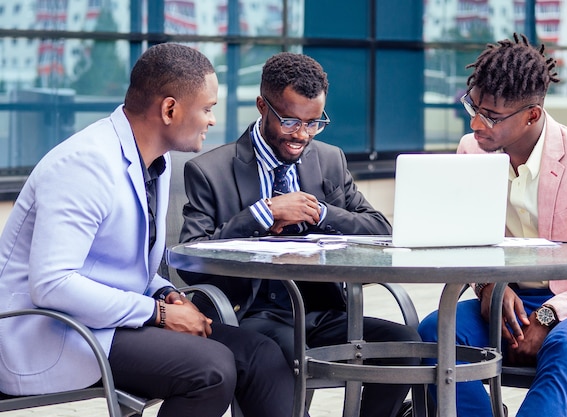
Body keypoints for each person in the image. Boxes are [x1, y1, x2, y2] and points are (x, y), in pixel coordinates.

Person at [0, 43, 301, 417]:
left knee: (260, 355)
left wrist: (168, 294)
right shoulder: (84, 165)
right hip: (55, 333)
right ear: (169, 109)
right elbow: (52, 284)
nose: (211, 120)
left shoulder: (157, 162)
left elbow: (125, 265)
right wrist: (157, 313)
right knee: (211, 369)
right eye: (207, 109)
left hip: (110, 320)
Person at [178, 51, 421, 417]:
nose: (302, 135)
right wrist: (262, 213)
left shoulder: (329, 159)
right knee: (271, 360)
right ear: (263, 106)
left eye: (314, 122)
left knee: (406, 345)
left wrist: (320, 212)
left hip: (320, 312)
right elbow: (190, 259)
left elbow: (380, 229)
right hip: (252, 315)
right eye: (290, 122)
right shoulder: (209, 170)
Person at [418, 33, 567, 417]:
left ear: (532, 114)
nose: (477, 123)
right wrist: (487, 287)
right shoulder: (471, 152)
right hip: (509, 302)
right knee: (433, 334)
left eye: (492, 116)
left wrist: (552, 314)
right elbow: (466, 242)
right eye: (473, 106)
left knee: (565, 347)